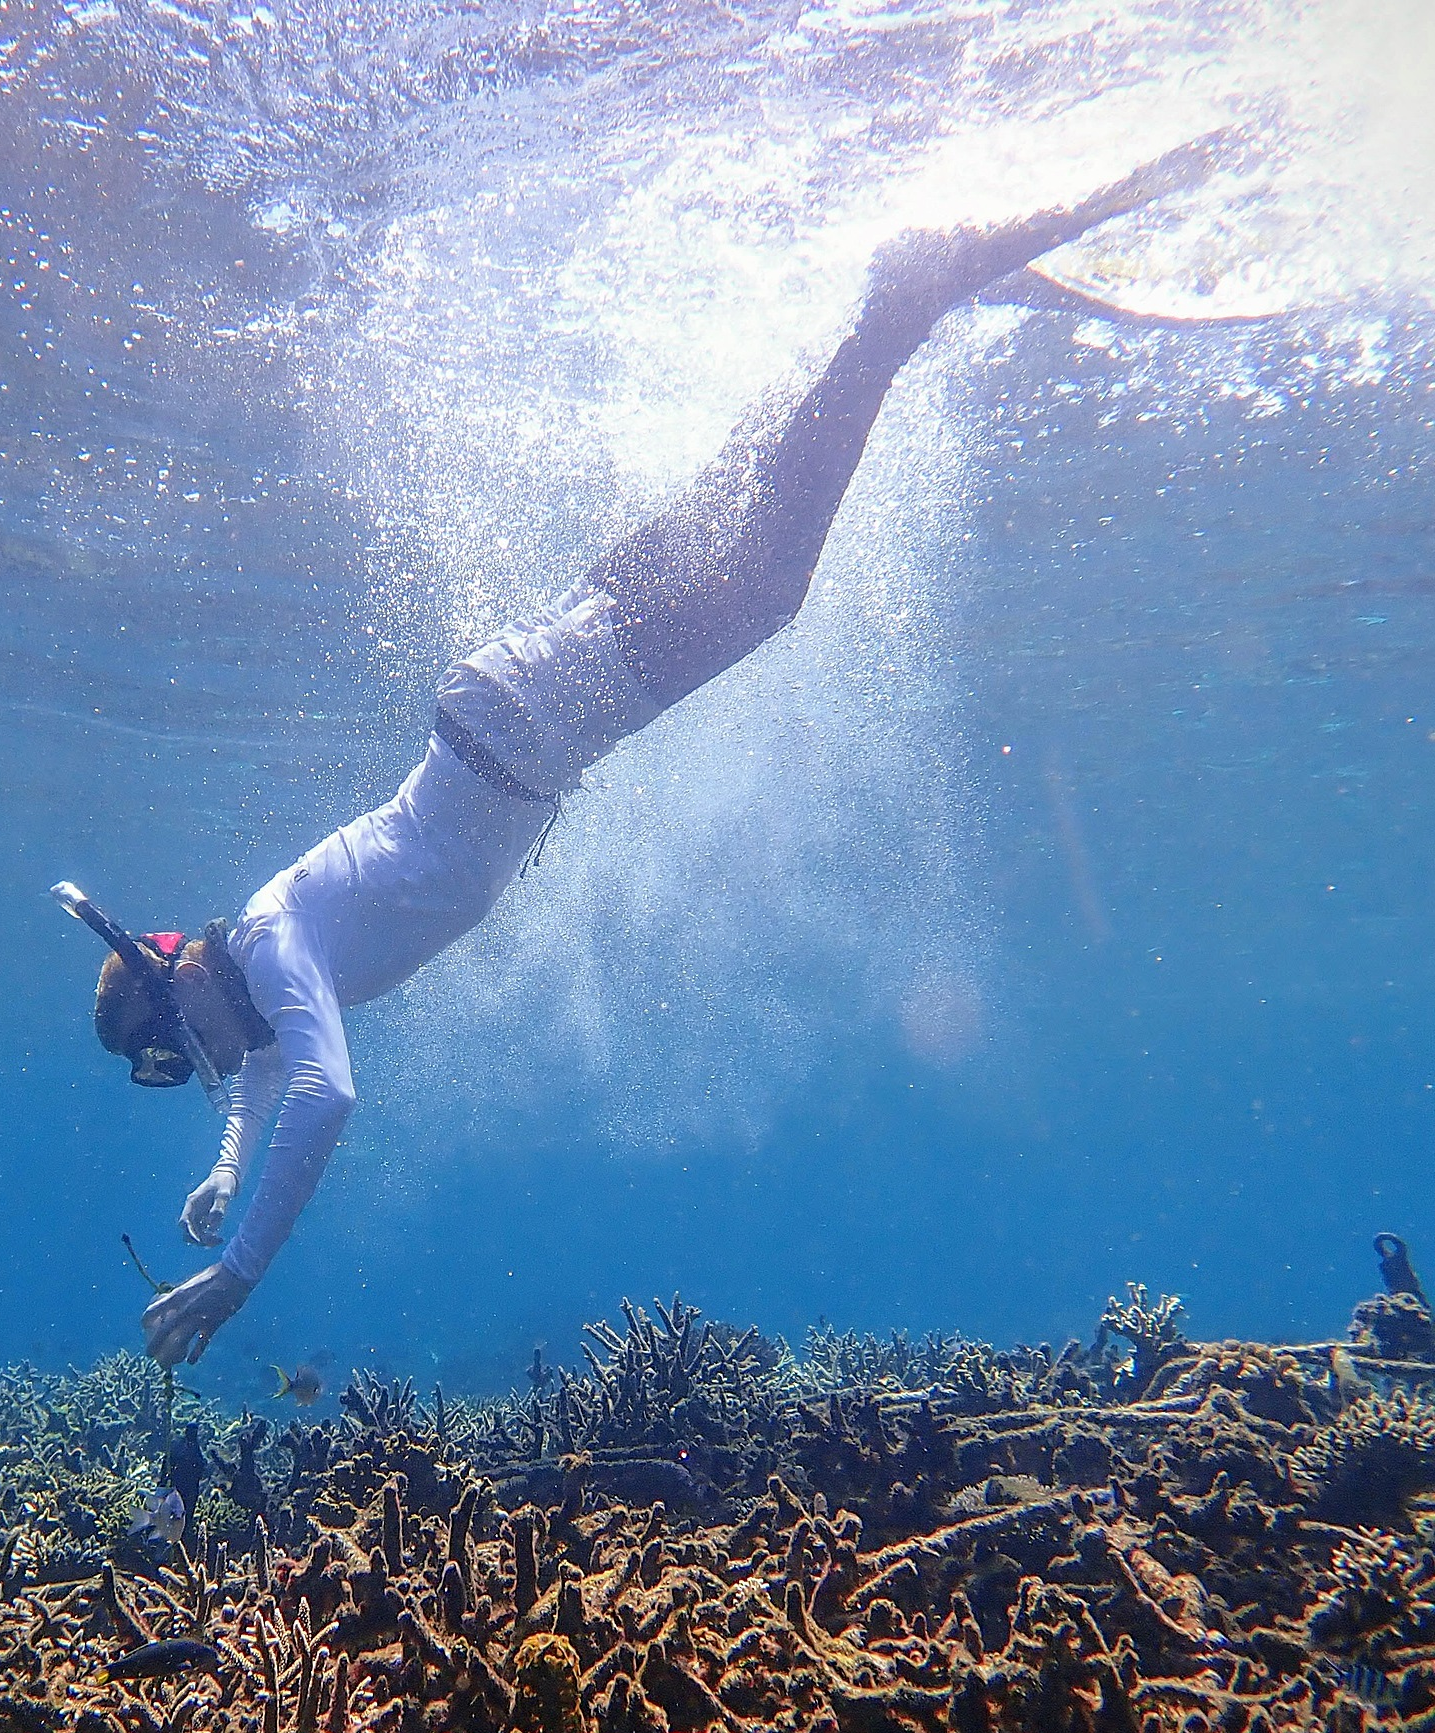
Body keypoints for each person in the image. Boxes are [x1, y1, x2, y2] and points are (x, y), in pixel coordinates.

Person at [63, 146, 1212, 1368]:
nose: (189, 1072)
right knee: (730, 502)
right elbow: (263, 1066)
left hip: (532, 719)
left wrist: (241, 1269)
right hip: (513, 710)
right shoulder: (255, 954)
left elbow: (323, 1091)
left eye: (166, 1055)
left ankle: (903, 299)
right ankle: (885, 313)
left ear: (173, 978)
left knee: (764, 584)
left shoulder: (278, 946)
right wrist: (223, 1172)